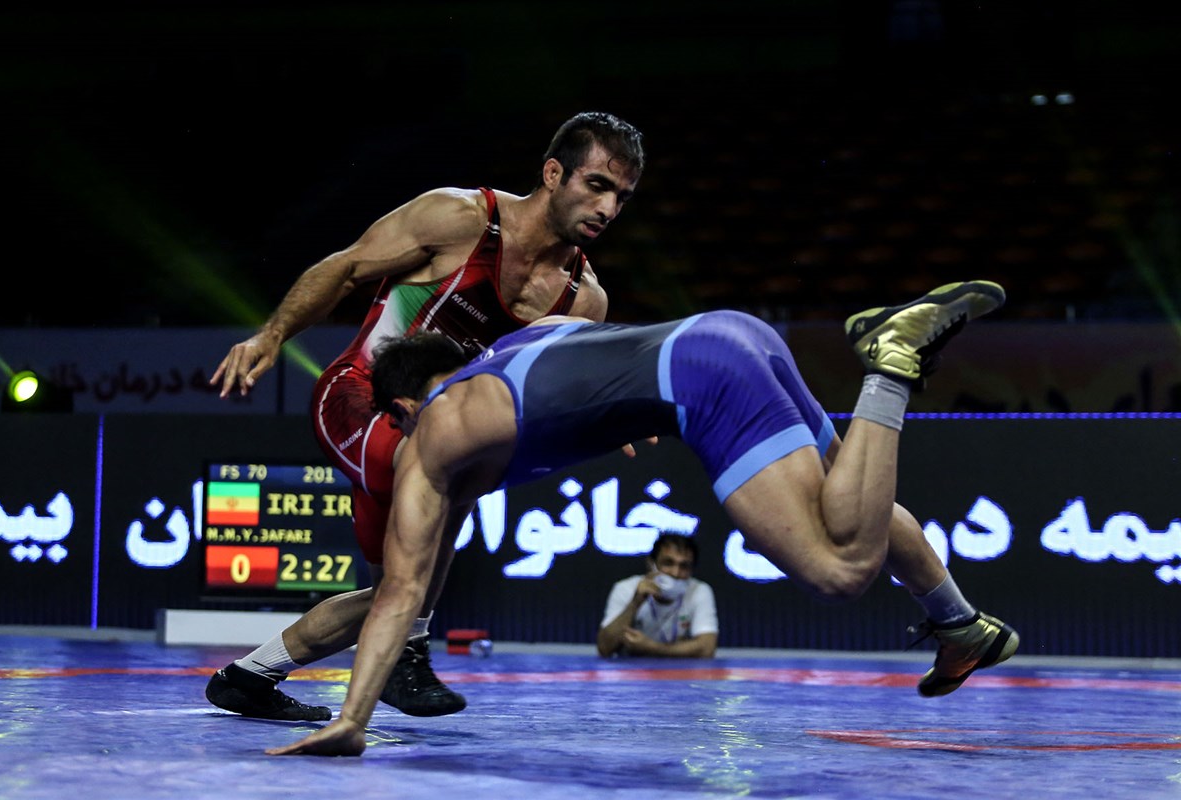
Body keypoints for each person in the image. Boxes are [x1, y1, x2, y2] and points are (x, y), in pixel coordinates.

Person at [266, 279, 1022, 757]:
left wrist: (352, 720)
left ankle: (890, 365)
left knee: (838, 570)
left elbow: (401, 593)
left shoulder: (429, 435)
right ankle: (957, 622)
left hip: (706, 379)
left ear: (402, 407)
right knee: (844, 498)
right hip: (738, 331)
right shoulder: (518, 344)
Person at [204, 111, 645, 721]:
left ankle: (248, 677)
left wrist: (609, 416)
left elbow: (547, 391)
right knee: (452, 480)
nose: (609, 208)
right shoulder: (459, 218)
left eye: (622, 196)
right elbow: (346, 267)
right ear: (552, 173)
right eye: (597, 185)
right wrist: (272, 334)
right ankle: (407, 654)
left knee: (394, 589)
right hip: (359, 398)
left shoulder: (583, 299)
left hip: (432, 436)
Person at [597, 533, 719, 658]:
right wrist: (635, 603)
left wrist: (651, 647)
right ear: (652, 564)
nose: (675, 573)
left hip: (680, 669)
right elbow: (604, 648)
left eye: (684, 566)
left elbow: (707, 649)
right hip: (632, 668)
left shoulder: (699, 591)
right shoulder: (626, 589)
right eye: (668, 563)